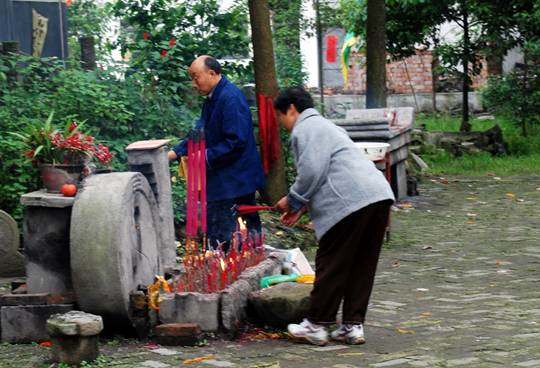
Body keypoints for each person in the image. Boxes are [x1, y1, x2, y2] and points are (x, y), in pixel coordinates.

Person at [273, 87, 395, 346]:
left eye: (280, 117)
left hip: (351, 203)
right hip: (378, 196)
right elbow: (330, 172)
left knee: (333, 262)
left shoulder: (305, 129)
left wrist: (293, 200)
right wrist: (301, 207)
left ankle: (317, 324)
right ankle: (352, 325)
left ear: (292, 109)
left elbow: (312, 172)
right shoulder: (329, 127)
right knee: (362, 264)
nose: (282, 125)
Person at [168, 55, 265, 249]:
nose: (193, 84)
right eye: (191, 78)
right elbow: (199, 134)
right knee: (229, 236)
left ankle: (238, 267)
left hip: (234, 179)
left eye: (196, 77)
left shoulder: (230, 98)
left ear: (212, 73)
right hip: (225, 179)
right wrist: (175, 153)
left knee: (230, 237)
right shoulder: (212, 98)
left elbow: (236, 141)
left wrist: (202, 157)